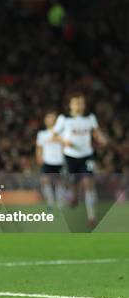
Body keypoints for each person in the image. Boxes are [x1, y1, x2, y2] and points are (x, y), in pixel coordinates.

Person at [52, 93, 108, 227]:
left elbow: (96, 132)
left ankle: (91, 217)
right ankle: (74, 198)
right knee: (74, 185)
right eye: (76, 103)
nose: (79, 106)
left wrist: (101, 138)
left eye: (81, 103)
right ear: (70, 105)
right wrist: (64, 141)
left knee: (88, 183)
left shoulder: (90, 118)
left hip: (86, 156)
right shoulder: (64, 119)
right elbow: (54, 135)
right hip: (70, 156)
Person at [36, 111, 65, 209]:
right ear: (45, 120)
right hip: (47, 161)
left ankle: (60, 203)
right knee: (45, 181)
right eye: (48, 118)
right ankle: (50, 203)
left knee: (59, 182)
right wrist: (39, 157)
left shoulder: (61, 133)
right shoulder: (42, 134)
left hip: (59, 161)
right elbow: (39, 148)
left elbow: (65, 146)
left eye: (52, 118)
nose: (50, 120)